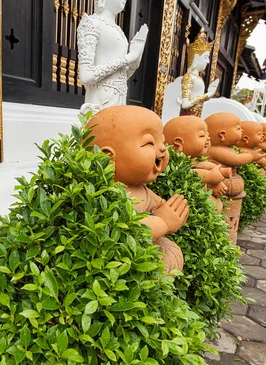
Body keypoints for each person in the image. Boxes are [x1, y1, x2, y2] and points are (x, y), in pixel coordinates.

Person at [88, 105, 188, 274]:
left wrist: (170, 213)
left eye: (161, 140)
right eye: (150, 142)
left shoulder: (143, 190)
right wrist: (163, 223)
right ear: (107, 158)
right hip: (128, 262)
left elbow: (160, 207)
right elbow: (123, 231)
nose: (163, 148)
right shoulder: (107, 194)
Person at [77, 0, 148, 114]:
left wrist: (136, 60)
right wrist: (129, 57)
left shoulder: (119, 31)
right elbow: (86, 75)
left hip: (119, 101)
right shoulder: (91, 23)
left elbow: (121, 76)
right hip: (99, 101)